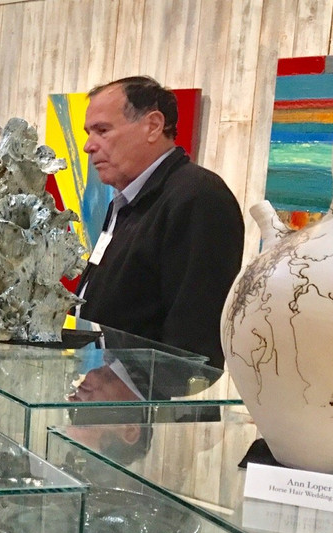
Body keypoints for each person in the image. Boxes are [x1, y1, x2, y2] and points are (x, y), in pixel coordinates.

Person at [77, 76, 244, 368]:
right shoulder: (126, 200)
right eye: (89, 133)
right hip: (100, 382)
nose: (88, 146)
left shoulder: (199, 197)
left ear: (153, 126)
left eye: (102, 130)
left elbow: (194, 339)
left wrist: (128, 384)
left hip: (142, 393)